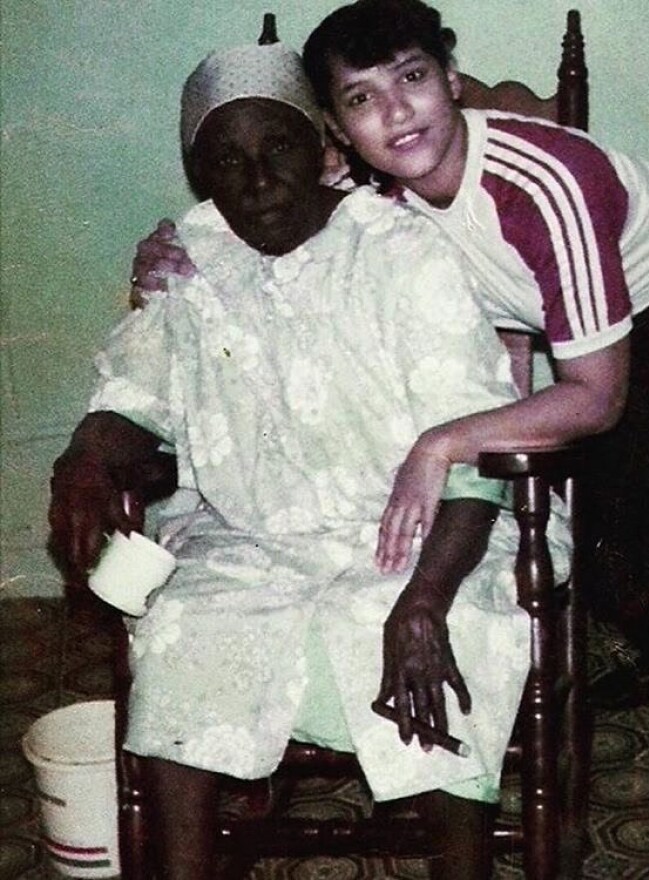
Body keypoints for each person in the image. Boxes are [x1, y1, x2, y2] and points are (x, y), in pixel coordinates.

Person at [297, 2, 649, 876]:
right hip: (621, 333)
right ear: (339, 128)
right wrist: (166, 253)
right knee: (585, 529)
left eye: (412, 77)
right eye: (363, 98)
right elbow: (264, 221)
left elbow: (594, 397)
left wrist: (441, 443)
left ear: (451, 78)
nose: (396, 112)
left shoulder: (542, 185)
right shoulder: (381, 195)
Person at [48, 38, 571, 880]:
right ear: (200, 173)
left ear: (322, 146)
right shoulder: (190, 256)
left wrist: (426, 596)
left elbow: (474, 449)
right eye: (228, 160)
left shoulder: (398, 251)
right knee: (182, 627)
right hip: (249, 539)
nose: (257, 179)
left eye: (277, 148)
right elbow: (133, 393)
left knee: (451, 632)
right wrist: (82, 457)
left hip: (432, 532)